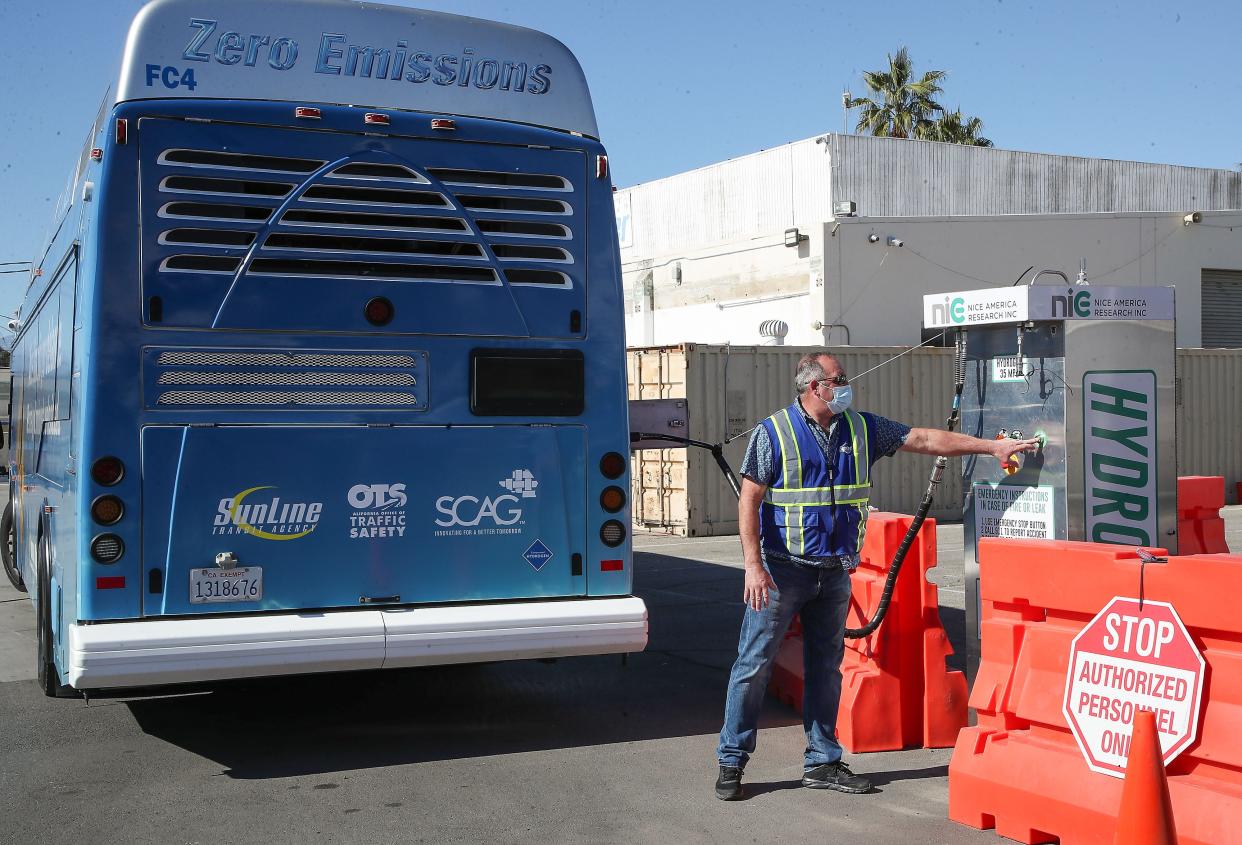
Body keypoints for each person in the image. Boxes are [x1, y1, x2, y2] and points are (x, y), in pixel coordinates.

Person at [714, 351, 1039, 800]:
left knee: (827, 670)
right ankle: (732, 760)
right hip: (781, 573)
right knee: (753, 666)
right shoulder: (776, 433)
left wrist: (993, 448)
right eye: (839, 379)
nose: (848, 385)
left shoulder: (861, 428)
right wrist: (753, 566)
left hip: (833, 573)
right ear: (815, 388)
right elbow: (749, 500)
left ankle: (822, 762)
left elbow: (924, 439)